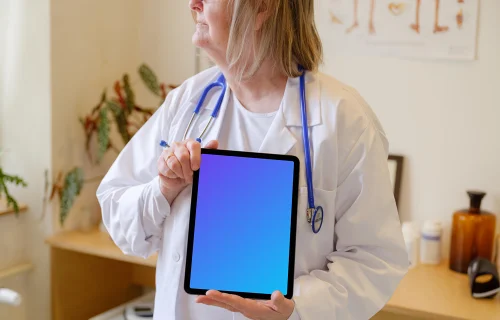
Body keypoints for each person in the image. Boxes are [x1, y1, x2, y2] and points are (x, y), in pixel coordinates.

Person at [96, 0, 409, 319]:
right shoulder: (189, 102)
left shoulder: (342, 120)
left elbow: (375, 261)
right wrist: (163, 188)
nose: (194, 3)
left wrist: (297, 310)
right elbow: (116, 211)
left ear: (262, 7)